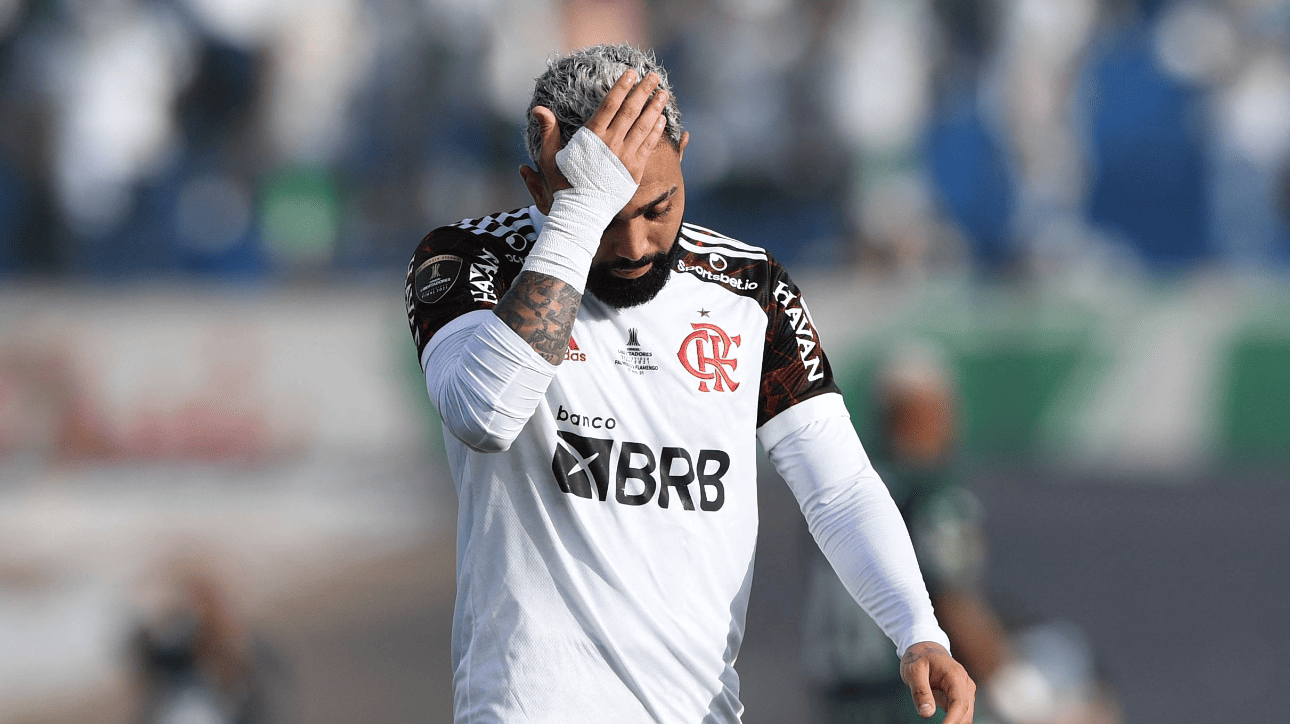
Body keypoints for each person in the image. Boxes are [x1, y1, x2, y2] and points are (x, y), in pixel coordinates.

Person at [404, 43, 975, 723]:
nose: (638, 244)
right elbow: (486, 413)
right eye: (611, 217)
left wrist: (917, 627)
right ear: (538, 188)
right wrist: (580, 214)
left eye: (658, 206)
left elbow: (839, 485)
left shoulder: (749, 287)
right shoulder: (468, 259)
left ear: (687, 156)